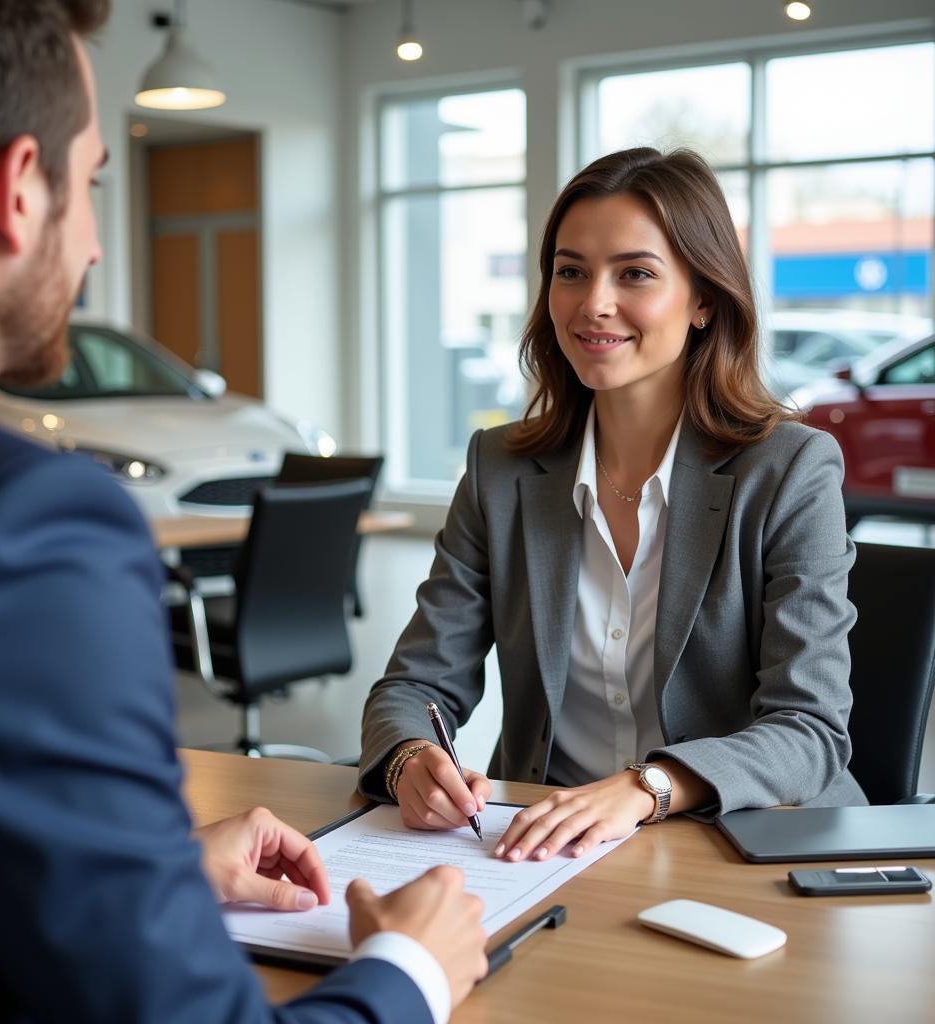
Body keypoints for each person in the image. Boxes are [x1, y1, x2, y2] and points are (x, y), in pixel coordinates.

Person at [0, 2, 486, 1021]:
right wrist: (411, 973)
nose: (92, 245)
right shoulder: (26, 523)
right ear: (14, 191)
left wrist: (149, 868)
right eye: (89, 186)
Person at [359, 146, 867, 861]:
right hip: (543, 846)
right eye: (571, 272)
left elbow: (809, 729)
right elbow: (415, 683)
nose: (593, 303)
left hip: (739, 844)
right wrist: (410, 759)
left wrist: (646, 787)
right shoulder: (501, 468)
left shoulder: (789, 470)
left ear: (702, 300)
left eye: (635, 274)